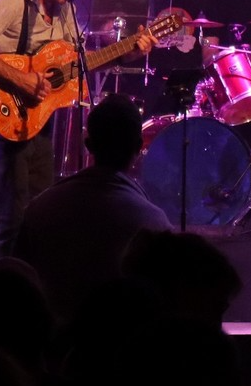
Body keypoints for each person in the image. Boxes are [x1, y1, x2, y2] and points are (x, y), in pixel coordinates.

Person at [0, 0, 152, 264]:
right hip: (1, 120)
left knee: (40, 216)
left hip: (38, 121)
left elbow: (76, 67)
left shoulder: (66, 9)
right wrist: (21, 79)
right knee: (9, 224)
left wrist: (127, 51)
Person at [14, 94, 171, 319]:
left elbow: (21, 287)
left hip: (54, 347)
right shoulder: (153, 222)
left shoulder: (40, 208)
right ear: (138, 146)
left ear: (87, 144)